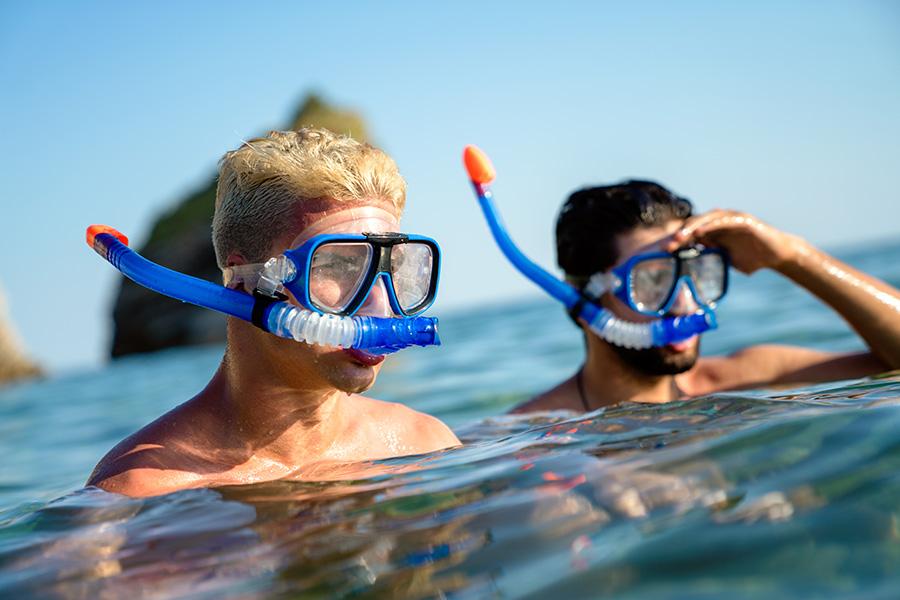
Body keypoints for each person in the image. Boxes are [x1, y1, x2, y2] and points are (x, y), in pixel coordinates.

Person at [88, 128, 459, 496]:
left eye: (394, 268)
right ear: (245, 282)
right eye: (337, 265)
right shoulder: (141, 492)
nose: (381, 306)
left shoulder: (422, 445)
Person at [512, 180, 900, 413]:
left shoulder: (748, 379)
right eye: (652, 282)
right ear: (583, 301)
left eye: (699, 274)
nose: (686, 304)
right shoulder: (541, 433)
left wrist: (792, 257)